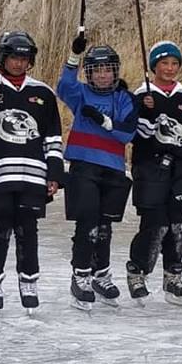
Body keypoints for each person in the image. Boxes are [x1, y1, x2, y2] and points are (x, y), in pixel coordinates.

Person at [0, 30, 63, 317]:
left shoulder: (43, 92)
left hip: (32, 175)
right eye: (13, 58)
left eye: (24, 58)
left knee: (28, 230)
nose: (19, 63)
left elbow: (53, 138)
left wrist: (54, 173)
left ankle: (28, 280)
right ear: (1, 58)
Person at [124, 40, 182, 306]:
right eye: (164, 63)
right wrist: (146, 110)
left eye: (174, 64)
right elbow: (136, 134)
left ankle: (173, 276)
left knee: (177, 225)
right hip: (151, 168)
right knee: (155, 223)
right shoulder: (141, 95)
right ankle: (137, 271)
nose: (170, 69)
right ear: (153, 67)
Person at [57, 40, 138, 310]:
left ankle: (101, 273)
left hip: (113, 169)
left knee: (104, 227)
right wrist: (74, 56)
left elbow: (128, 133)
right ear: (89, 73)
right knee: (87, 222)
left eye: (107, 70)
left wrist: (105, 122)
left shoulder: (124, 98)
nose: (103, 75)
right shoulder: (80, 94)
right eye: (96, 70)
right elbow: (63, 87)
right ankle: (80, 274)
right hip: (84, 167)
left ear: (115, 72)